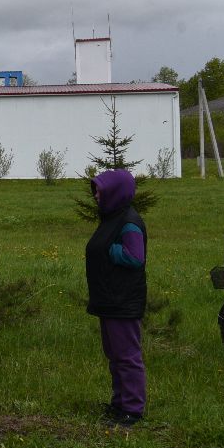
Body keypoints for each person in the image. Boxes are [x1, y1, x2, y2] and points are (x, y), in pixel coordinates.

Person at [87, 169, 148, 427]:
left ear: (114, 191)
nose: (96, 195)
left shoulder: (129, 222)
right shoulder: (111, 217)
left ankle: (133, 409)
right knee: (114, 354)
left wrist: (109, 250)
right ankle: (119, 403)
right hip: (109, 298)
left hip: (122, 300)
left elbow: (134, 257)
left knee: (126, 356)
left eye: (100, 189)